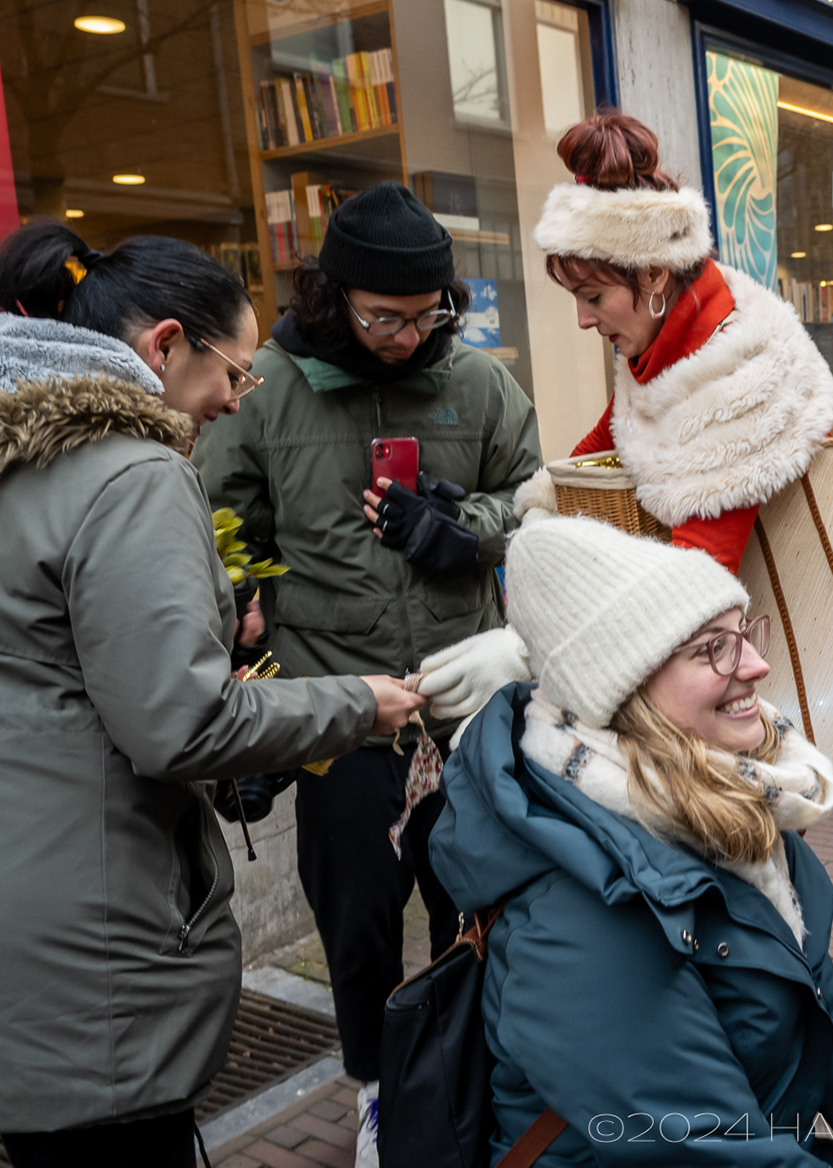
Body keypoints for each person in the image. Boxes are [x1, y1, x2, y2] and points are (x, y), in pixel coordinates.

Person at [0, 226, 424, 1166]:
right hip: (89, 940)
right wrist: (360, 702)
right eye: (235, 372)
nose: (234, 400)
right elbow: (180, 725)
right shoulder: (131, 468)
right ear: (164, 346)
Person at [428, 514, 833, 1168]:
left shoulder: (729, 807)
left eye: (745, 633)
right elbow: (716, 1151)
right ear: (623, 689)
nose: (757, 664)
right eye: (712, 649)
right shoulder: (577, 919)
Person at [193, 182, 542, 1165]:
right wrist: (240, 644)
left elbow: (535, 496)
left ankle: (468, 1076)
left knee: (475, 904)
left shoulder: (480, 384)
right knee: (356, 921)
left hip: (463, 705)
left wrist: (466, 528)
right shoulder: (265, 386)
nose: (407, 336)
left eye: (429, 315)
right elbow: (221, 531)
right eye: (385, 316)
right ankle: (380, 1089)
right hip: (338, 711)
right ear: (333, 294)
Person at [409, 107, 833, 726]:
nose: (583, 319)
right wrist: (537, 519)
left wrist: (529, 652)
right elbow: (608, 441)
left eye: (593, 297)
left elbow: (693, 595)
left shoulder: (738, 385)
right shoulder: (675, 332)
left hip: (790, 658)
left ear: (655, 273)